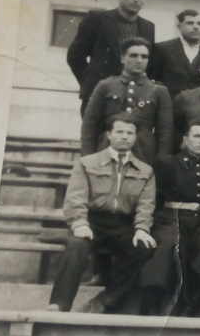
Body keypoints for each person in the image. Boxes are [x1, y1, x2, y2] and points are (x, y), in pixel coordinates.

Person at [48, 114, 157, 314]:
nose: (125, 137)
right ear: (109, 134)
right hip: (92, 221)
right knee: (76, 245)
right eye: (120, 132)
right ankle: (59, 304)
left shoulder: (145, 171)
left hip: (123, 224)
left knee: (144, 248)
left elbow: (146, 205)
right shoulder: (87, 163)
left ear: (135, 137)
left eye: (130, 133)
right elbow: (75, 197)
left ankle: (106, 301)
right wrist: (79, 223)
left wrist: (142, 228)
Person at [139, 121, 200, 317]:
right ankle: (154, 301)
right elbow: (155, 197)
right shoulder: (168, 163)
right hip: (172, 218)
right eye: (197, 136)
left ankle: (193, 301)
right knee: (167, 244)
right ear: (185, 139)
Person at [67, 0, 156, 114]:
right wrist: (91, 84)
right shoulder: (97, 19)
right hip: (99, 98)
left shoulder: (148, 27)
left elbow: (146, 62)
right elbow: (75, 56)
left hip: (132, 99)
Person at [81, 37, 173, 164]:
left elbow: (165, 131)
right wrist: (87, 156)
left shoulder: (159, 90)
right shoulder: (106, 85)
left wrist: (161, 160)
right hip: (106, 149)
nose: (139, 60)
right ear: (123, 58)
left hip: (143, 153)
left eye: (144, 57)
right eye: (133, 55)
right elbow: (89, 124)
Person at [150, 9, 200, 98]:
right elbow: (153, 81)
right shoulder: (162, 49)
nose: (196, 27)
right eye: (190, 23)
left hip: (199, 107)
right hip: (170, 106)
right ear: (179, 26)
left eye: (199, 24)